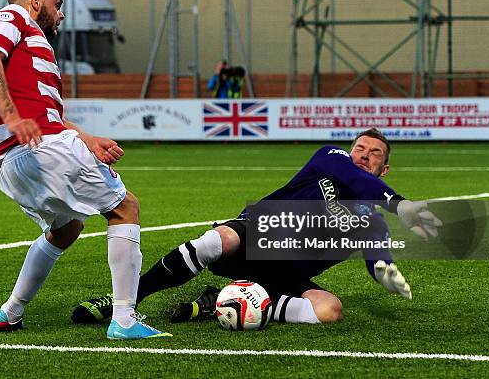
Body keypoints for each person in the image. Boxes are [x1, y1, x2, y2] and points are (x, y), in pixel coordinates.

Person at [0, 0, 170, 340]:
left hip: (10, 162)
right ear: (35, 2)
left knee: (67, 229)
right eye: (57, 4)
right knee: (125, 206)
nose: (61, 14)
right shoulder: (12, 18)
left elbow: (49, 115)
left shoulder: (33, 45)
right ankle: (125, 320)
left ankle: (10, 312)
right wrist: (13, 119)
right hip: (38, 148)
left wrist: (88, 139)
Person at [71, 128, 442, 326]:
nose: (365, 154)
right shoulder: (331, 158)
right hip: (256, 235)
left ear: (385, 169)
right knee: (216, 240)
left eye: (375, 153)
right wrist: (401, 204)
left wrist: (384, 272)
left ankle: (221, 302)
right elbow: (356, 179)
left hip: (284, 275)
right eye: (361, 147)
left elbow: (377, 256)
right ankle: (126, 301)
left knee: (329, 311)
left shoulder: (371, 220)